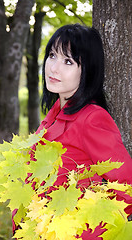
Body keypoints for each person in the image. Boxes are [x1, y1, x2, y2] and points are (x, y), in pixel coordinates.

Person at [34, 23, 132, 239]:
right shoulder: (53, 115)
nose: (54, 68)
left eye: (68, 61)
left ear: (87, 69)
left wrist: (91, 231)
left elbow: (127, 186)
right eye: (52, 55)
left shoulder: (92, 119)